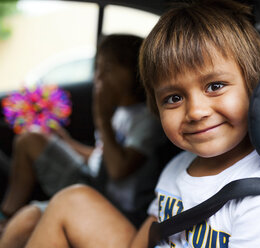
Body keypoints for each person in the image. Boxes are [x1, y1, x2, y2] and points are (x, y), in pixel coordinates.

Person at [24, 1, 260, 247]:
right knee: (70, 200)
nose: (196, 111)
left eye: (215, 86)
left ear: (255, 87)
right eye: (173, 98)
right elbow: (146, 238)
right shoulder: (176, 169)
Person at [0, 34, 166, 245]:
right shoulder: (121, 113)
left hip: (120, 205)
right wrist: (66, 140)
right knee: (30, 139)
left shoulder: (146, 120)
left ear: (135, 71)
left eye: (107, 69)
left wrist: (102, 119)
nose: (98, 78)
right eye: (98, 69)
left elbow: (117, 171)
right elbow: (100, 156)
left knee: (28, 219)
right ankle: (6, 215)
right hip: (94, 179)